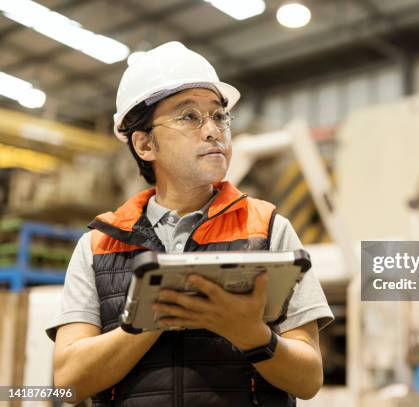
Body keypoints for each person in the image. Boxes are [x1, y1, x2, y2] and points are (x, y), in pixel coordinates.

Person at [46, 41, 334, 407]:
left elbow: (309, 379)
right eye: (189, 116)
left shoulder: (269, 229)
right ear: (145, 144)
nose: (214, 130)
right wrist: (148, 322)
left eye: (219, 116)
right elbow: (68, 382)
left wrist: (253, 336)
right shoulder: (99, 243)